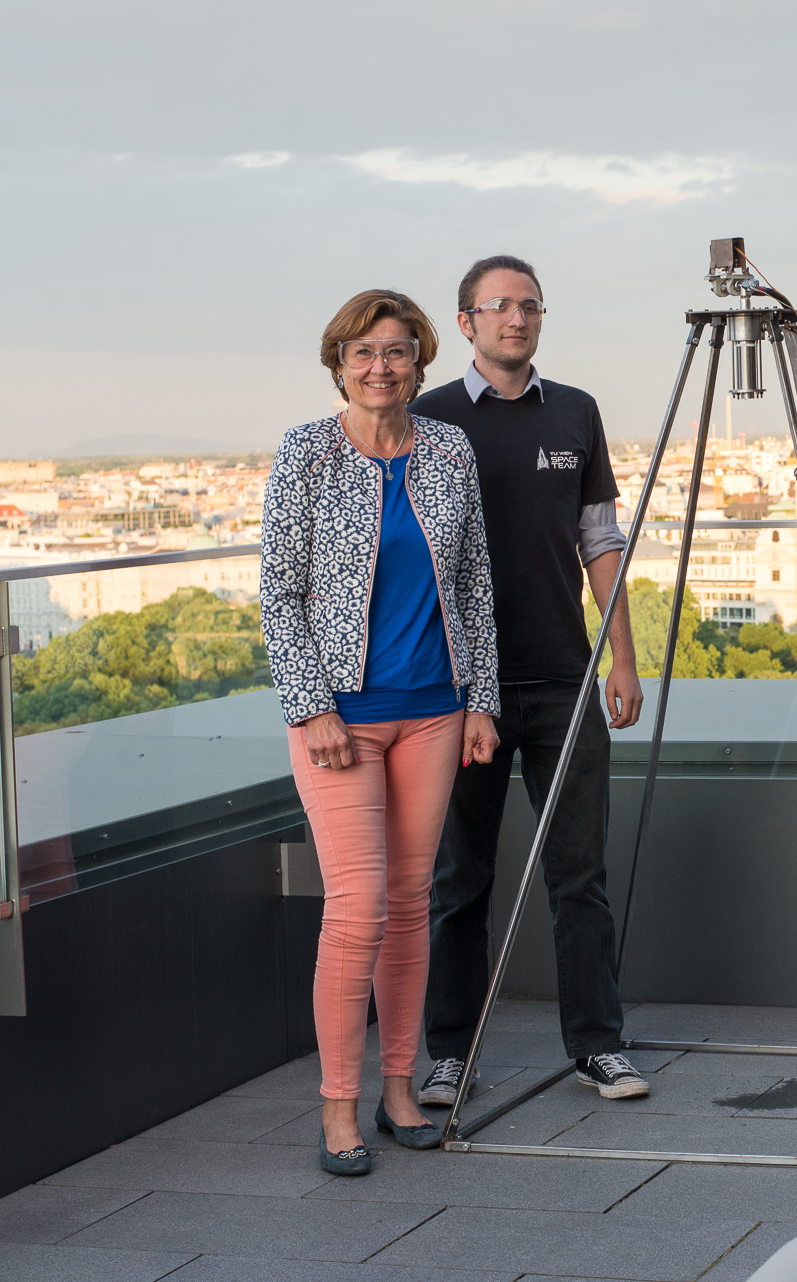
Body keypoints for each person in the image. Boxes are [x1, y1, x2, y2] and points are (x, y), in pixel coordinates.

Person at [261, 288, 502, 1176]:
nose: (380, 367)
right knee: (357, 908)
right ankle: (338, 1104)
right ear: (338, 364)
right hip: (341, 720)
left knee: (408, 906)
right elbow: (279, 592)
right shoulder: (307, 454)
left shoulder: (448, 450)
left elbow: (473, 584)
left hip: (435, 709)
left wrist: (483, 700)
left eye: (396, 351)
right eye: (362, 352)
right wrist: (310, 706)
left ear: (418, 363)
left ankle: (398, 1090)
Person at [411, 254, 651, 1107]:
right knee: (459, 880)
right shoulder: (428, 417)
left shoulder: (576, 412)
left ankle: (599, 1046)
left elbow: (600, 542)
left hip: (563, 681)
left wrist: (623, 658)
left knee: (579, 877)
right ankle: (450, 1054)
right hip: (458, 688)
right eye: (500, 306)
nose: (518, 318)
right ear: (467, 322)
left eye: (531, 306)